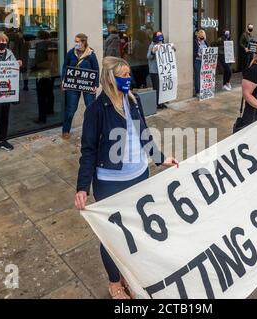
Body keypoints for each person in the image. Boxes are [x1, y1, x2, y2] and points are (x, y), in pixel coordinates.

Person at [75, 56, 179, 299]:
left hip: (139, 175)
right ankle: (114, 282)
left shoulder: (133, 100)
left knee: (135, 230)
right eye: (123, 75)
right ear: (111, 79)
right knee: (112, 235)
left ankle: (129, 274)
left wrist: (160, 158)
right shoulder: (96, 110)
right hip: (111, 182)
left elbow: (143, 133)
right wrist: (82, 187)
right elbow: (88, 150)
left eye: (129, 74)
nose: (128, 78)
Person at [61, 33, 100, 140]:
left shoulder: (91, 54)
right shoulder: (71, 53)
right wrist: (63, 80)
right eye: (75, 41)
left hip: (87, 84)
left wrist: (95, 84)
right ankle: (65, 130)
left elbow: (96, 69)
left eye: (77, 41)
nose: (76, 43)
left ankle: (92, 131)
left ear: (83, 42)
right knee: (71, 108)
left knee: (91, 108)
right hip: (72, 84)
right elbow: (65, 67)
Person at [147, 31, 176, 109]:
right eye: (158, 35)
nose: (160, 37)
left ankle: (161, 102)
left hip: (163, 71)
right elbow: (148, 57)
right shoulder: (152, 45)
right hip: (155, 71)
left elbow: (171, 53)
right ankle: (157, 103)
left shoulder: (164, 45)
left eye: (161, 35)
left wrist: (173, 48)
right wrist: (153, 52)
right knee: (156, 87)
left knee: (162, 87)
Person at [34, 30, 57, 124]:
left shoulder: (40, 46)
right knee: (50, 91)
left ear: (40, 37)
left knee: (41, 95)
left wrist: (34, 68)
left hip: (43, 72)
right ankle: (50, 110)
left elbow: (38, 60)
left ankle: (42, 118)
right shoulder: (54, 44)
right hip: (53, 71)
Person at [193, 30, 209, 96]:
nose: (202, 38)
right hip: (197, 61)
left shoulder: (204, 41)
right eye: (201, 36)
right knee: (197, 77)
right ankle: (197, 91)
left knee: (203, 76)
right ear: (198, 36)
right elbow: (193, 52)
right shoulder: (195, 42)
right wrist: (198, 54)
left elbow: (208, 48)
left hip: (204, 61)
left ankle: (203, 89)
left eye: (203, 36)